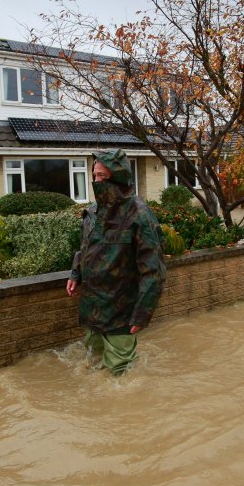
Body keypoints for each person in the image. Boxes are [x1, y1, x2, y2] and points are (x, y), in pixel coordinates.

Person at [66, 150, 166, 375]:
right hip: (93, 307)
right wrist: (75, 274)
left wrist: (142, 314)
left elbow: (153, 270)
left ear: (118, 176)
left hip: (122, 310)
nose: (96, 181)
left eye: (103, 176)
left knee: (120, 376)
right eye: (95, 175)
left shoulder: (139, 215)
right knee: (92, 364)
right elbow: (84, 247)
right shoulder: (92, 212)